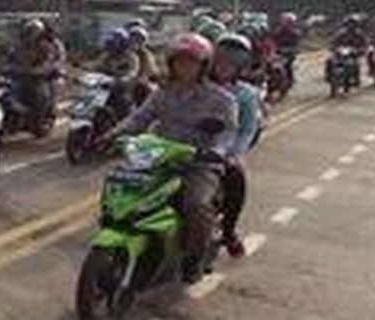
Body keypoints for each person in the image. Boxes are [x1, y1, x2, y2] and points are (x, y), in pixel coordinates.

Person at [110, 33, 239, 282]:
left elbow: (229, 133)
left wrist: (217, 151)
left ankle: (194, 259)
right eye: (179, 61)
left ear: (203, 66)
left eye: (191, 62)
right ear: (171, 64)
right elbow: (140, 118)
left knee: (197, 205)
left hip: (198, 163)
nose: (184, 67)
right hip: (158, 158)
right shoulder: (162, 93)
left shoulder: (222, 99)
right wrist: (112, 134)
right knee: (122, 184)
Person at [210, 34, 263, 259]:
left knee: (236, 176)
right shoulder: (197, 84)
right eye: (221, 58)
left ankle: (229, 231)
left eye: (232, 61)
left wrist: (234, 154)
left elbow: (247, 129)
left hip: (227, 148)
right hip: (189, 144)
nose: (225, 65)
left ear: (241, 65)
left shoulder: (246, 94)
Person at [6, 17, 64, 117]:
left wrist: (40, 70)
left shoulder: (47, 46)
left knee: (43, 92)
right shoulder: (19, 45)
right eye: (29, 32)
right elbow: (10, 59)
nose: (31, 35)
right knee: (9, 89)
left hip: (41, 79)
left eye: (34, 32)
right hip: (21, 77)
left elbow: (50, 63)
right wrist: (11, 68)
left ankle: (44, 115)